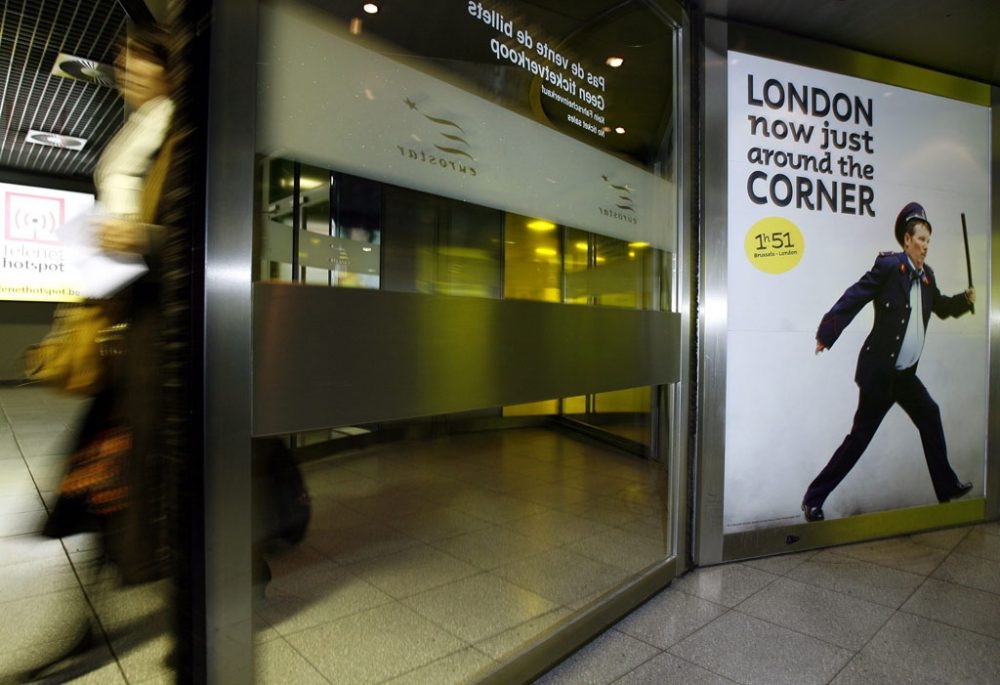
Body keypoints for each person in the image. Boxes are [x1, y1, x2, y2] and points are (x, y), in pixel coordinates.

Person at [28, 24, 178, 680]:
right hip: (121, 326)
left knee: (157, 479)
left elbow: (204, 240)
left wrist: (138, 235)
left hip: (161, 342)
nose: (126, 73)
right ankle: (79, 623)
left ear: (167, 68)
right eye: (121, 65)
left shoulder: (182, 138)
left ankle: (191, 611)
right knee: (96, 479)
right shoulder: (136, 134)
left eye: (137, 62)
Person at [801, 201, 975, 522]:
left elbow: (942, 307)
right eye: (920, 239)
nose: (925, 246)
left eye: (928, 241)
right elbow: (855, 295)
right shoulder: (889, 268)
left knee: (930, 415)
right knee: (859, 440)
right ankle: (813, 498)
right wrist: (828, 331)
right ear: (906, 240)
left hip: (905, 377)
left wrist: (964, 301)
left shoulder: (927, 278)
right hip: (880, 375)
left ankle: (946, 486)